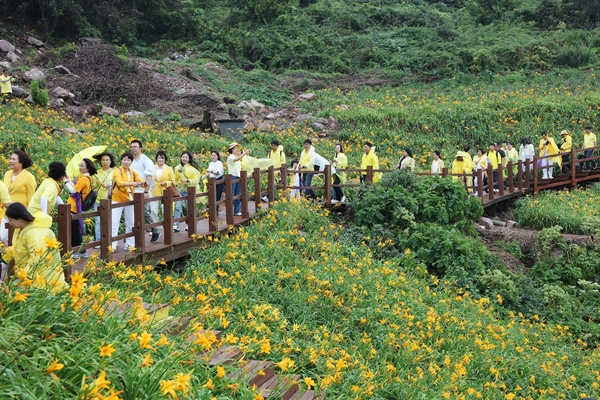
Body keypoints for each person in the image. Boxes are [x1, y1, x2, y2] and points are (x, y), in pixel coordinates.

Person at [1, 203, 68, 293]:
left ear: (19, 219)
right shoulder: (21, 229)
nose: (9, 223)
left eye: (10, 220)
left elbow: (36, 259)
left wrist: (22, 275)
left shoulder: (34, 234)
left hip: (44, 277)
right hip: (32, 274)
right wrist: (5, 251)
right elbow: (20, 248)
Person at [63, 158, 97, 259]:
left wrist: (65, 181)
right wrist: (69, 180)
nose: (80, 167)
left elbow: (73, 191)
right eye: (80, 165)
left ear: (88, 168)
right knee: (74, 229)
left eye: (82, 166)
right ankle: (79, 250)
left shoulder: (83, 179)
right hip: (76, 206)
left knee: (74, 230)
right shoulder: (88, 178)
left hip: (74, 206)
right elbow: (77, 188)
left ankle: (81, 251)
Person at [111, 152, 145, 251]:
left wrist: (145, 183)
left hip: (130, 199)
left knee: (131, 222)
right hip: (117, 199)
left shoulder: (133, 172)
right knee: (114, 223)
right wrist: (133, 184)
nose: (126, 162)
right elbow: (120, 183)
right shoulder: (117, 171)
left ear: (131, 161)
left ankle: (130, 244)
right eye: (124, 159)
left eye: (128, 160)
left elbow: (140, 182)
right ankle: (112, 245)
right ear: (121, 160)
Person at [129, 140, 160, 243]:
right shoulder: (130, 160)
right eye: (131, 147)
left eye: (135, 146)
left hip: (142, 191)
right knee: (133, 213)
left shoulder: (145, 160)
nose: (133, 148)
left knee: (145, 212)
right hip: (132, 191)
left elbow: (149, 176)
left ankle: (155, 229)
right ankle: (132, 235)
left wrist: (146, 192)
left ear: (140, 148)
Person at [92, 152, 115, 248]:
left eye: (107, 160)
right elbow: (94, 187)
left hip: (110, 199)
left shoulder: (114, 172)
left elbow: (117, 186)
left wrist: (108, 185)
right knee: (98, 221)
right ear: (100, 161)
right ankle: (98, 240)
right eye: (103, 160)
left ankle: (110, 240)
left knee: (111, 220)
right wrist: (92, 182)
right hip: (98, 200)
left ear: (110, 161)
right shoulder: (96, 173)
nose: (105, 162)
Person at [174, 151, 201, 231]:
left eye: (186, 157)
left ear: (189, 159)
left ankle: (189, 224)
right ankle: (176, 224)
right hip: (179, 189)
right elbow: (175, 179)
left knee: (188, 207)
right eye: (183, 157)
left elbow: (196, 180)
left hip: (188, 190)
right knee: (178, 207)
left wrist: (187, 180)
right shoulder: (177, 168)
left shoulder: (192, 169)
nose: (184, 159)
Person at [149, 151, 175, 233]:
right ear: (156, 158)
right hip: (154, 191)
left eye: (162, 158)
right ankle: (156, 228)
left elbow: (173, 181)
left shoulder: (168, 169)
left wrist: (166, 183)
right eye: (159, 158)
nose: (160, 160)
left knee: (166, 210)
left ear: (165, 159)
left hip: (165, 192)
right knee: (153, 210)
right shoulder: (152, 168)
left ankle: (168, 226)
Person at [227, 143, 250, 216]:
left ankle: (236, 210)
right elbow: (236, 159)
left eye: (237, 148)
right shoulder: (230, 157)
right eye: (235, 148)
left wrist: (243, 155)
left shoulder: (237, 157)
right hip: (232, 176)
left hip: (238, 176)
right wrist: (244, 153)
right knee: (231, 194)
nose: (237, 149)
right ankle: (229, 211)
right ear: (232, 150)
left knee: (238, 194)